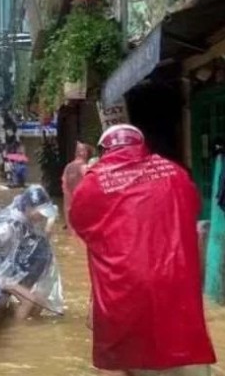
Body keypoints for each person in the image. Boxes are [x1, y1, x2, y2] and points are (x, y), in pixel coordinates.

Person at [70, 124, 215, 375]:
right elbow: (192, 208)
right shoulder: (175, 172)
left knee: (122, 357)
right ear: (141, 145)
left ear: (105, 149)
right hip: (175, 283)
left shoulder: (93, 182)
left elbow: (80, 224)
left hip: (124, 290)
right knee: (185, 352)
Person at [0, 185, 64, 320]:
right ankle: (17, 331)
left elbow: (51, 219)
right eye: (40, 212)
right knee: (28, 300)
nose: (42, 216)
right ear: (28, 207)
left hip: (10, 273)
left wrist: (49, 222)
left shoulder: (28, 221)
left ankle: (23, 323)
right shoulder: (10, 225)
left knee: (39, 300)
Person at [61, 141, 94, 230]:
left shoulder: (68, 167)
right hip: (80, 205)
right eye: (78, 150)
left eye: (81, 150)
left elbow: (64, 186)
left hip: (71, 205)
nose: (79, 152)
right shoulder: (86, 167)